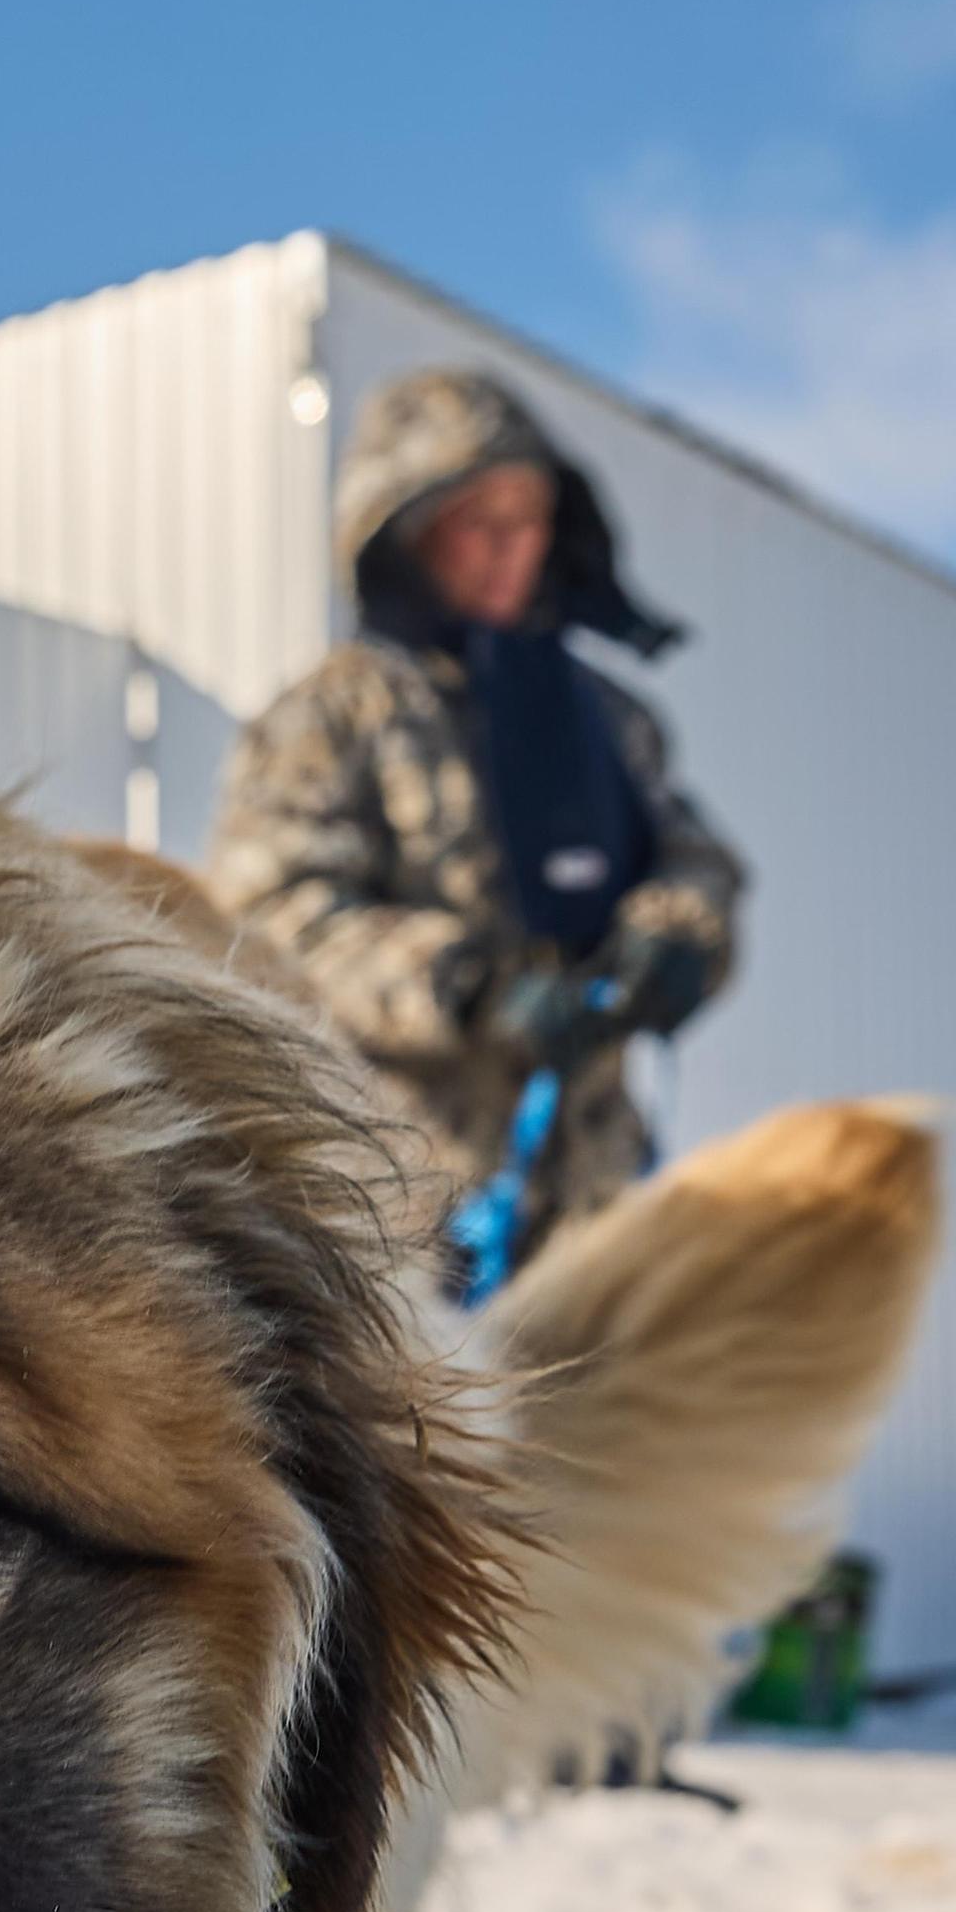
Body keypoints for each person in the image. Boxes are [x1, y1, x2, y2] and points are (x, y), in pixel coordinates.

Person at [205, 365, 742, 1295]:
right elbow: (271, 912)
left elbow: (697, 861)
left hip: (599, 1205)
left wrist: (677, 939)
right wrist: (469, 986)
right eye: (477, 521)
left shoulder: (608, 719)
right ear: (408, 533)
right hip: (413, 1215)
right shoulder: (333, 717)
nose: (509, 547)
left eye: (528, 518)